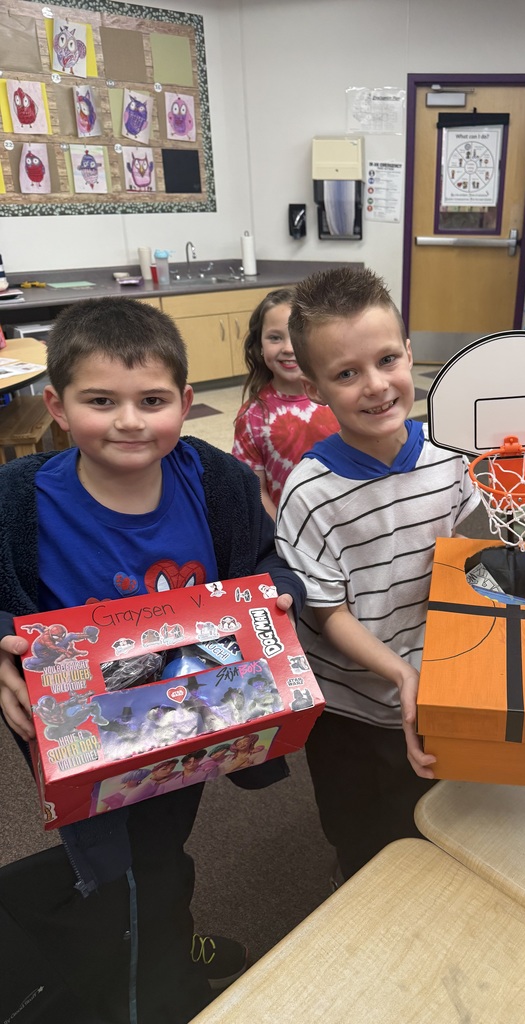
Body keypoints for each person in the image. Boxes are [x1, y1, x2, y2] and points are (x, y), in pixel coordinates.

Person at [0, 296, 305, 1024]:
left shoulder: (217, 481)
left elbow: (267, 563)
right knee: (115, 866)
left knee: (164, 839)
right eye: (101, 400)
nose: (130, 421)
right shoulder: (19, 498)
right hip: (83, 731)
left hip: (195, 720)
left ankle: (168, 928)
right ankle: (145, 980)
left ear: (186, 402)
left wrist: (279, 596)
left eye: (153, 400)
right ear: (59, 406)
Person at [275, 266, 480, 881]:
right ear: (314, 387)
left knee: (435, 812)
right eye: (346, 373)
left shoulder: (450, 454)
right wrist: (397, 672)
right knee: (361, 831)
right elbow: (326, 611)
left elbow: (465, 540)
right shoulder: (309, 493)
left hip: (430, 675)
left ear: (411, 354)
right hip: (348, 703)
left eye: (388, 359)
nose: (376, 385)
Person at [232, 287, 339, 518]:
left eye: (298, 337)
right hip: (290, 531)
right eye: (275, 338)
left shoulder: (339, 397)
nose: (289, 348)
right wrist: (282, 534)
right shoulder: (252, 417)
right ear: (259, 346)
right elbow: (256, 490)